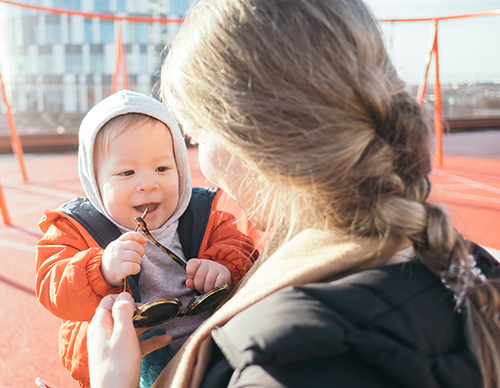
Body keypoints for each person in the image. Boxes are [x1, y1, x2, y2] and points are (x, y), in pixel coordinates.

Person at [86, 1, 500, 387]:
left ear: (249, 140)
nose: (203, 166)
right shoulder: (471, 266)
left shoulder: (280, 361)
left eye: (198, 136)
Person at [35, 90, 259, 388]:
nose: (148, 184)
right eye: (127, 172)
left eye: (162, 168)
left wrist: (224, 269)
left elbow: (241, 249)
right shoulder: (77, 229)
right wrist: (100, 270)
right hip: (127, 364)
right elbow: (51, 284)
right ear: (95, 181)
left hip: (208, 348)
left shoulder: (203, 215)